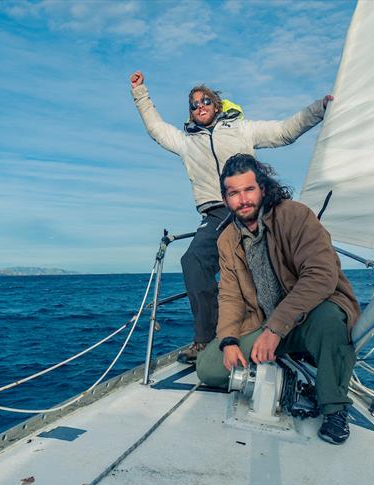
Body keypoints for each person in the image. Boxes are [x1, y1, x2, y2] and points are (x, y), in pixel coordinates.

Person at [130, 70, 332, 363]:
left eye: (206, 101)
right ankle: (206, 340)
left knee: (282, 260)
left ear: (218, 105)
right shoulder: (186, 142)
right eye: (194, 104)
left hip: (255, 207)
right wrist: (140, 92)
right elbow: (156, 128)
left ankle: (300, 331)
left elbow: (286, 131)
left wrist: (320, 109)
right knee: (193, 261)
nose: (200, 106)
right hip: (216, 213)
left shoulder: (242, 130)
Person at [195, 153, 361, 445]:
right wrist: (229, 341)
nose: (242, 199)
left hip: (311, 314)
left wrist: (275, 330)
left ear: (263, 187)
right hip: (264, 321)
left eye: (249, 189)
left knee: (332, 323)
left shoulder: (294, 215)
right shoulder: (227, 239)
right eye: (234, 193)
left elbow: (322, 275)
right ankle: (284, 370)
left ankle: (334, 408)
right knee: (208, 368)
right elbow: (231, 295)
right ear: (225, 198)